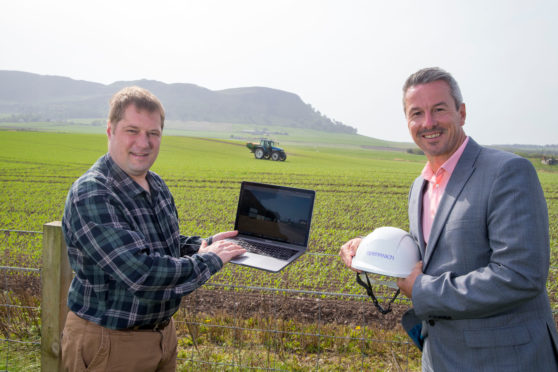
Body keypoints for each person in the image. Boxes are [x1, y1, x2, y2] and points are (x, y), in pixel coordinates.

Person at [340, 67, 558, 371]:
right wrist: (371, 248)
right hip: (439, 356)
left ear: (462, 113)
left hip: (504, 359)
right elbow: (437, 251)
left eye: (438, 109)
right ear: (407, 122)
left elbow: (520, 275)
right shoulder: (421, 185)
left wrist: (422, 291)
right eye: (417, 113)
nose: (428, 123)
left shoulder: (506, 172)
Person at [61, 86, 246, 371]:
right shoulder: (93, 193)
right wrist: (210, 259)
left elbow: (158, 243)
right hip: (109, 343)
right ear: (111, 131)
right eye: (132, 131)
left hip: (161, 337)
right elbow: (140, 272)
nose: (143, 143)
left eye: (153, 133)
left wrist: (202, 245)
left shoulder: (155, 183)